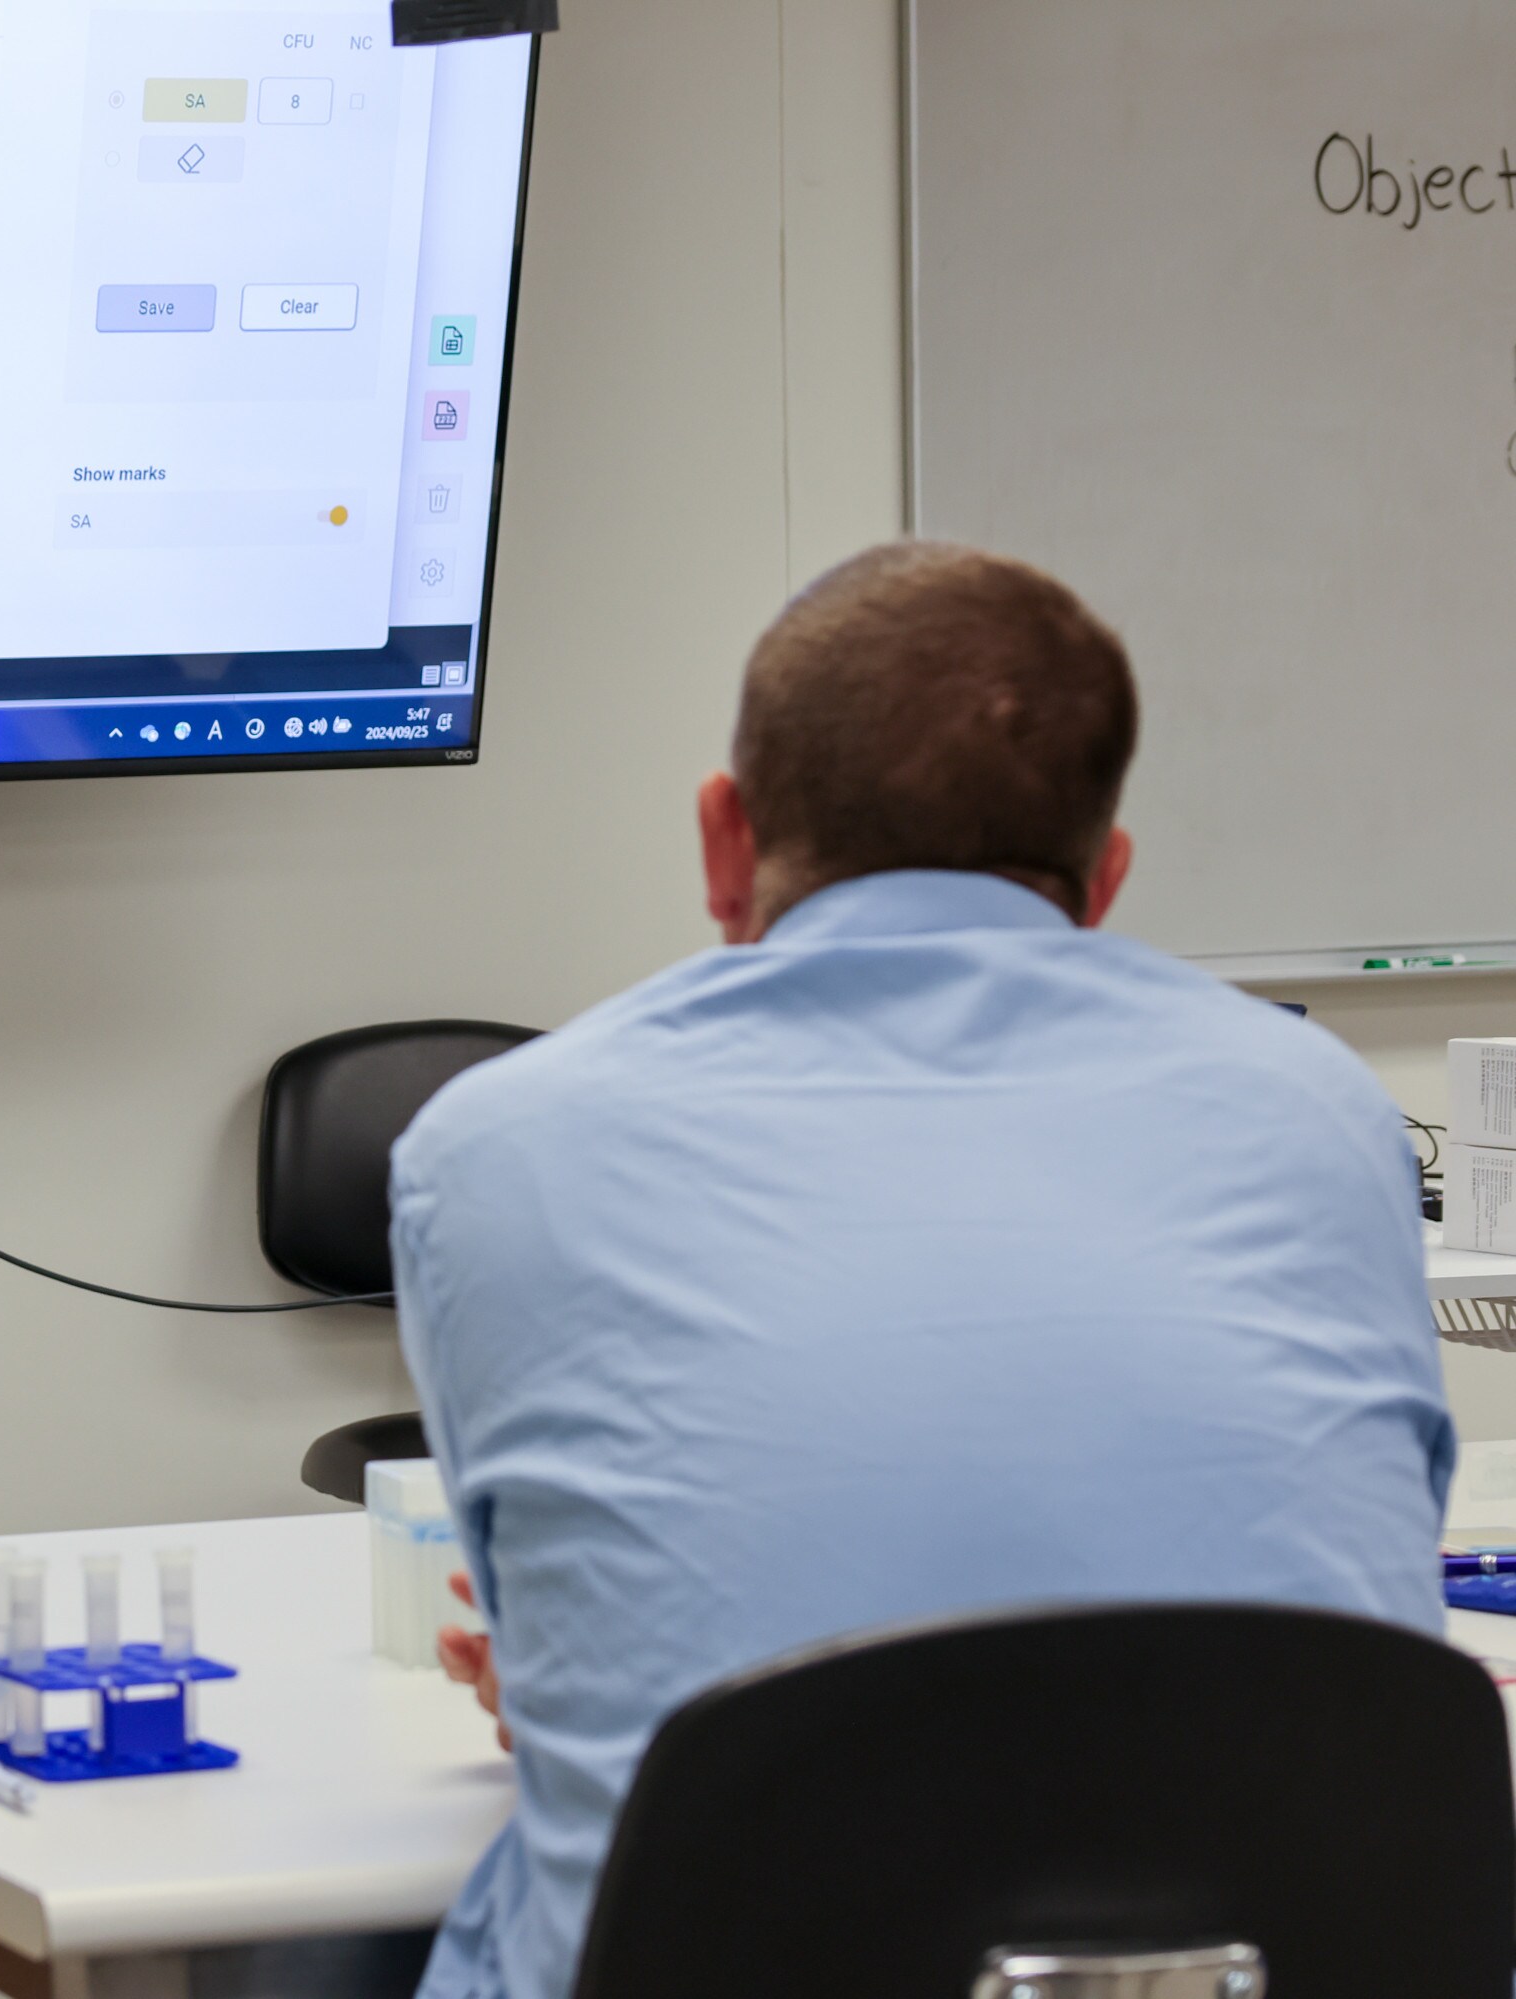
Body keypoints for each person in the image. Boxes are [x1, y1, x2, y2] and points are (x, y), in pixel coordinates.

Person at [390, 542, 1451, 1999]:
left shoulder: (499, 1148)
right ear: (1105, 880)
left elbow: (585, 1640)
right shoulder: (1322, 1112)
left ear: (722, 839)